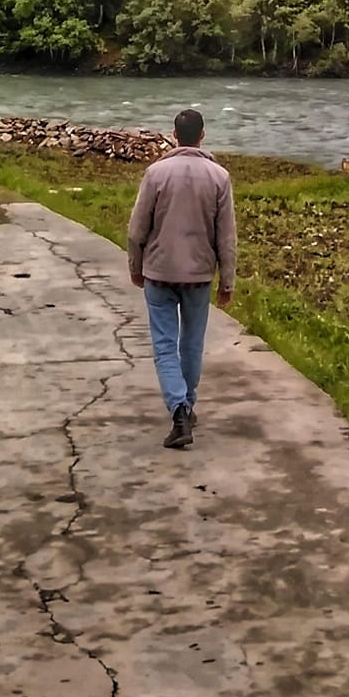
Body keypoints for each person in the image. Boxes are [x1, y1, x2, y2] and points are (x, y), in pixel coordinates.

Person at [126, 107, 237, 450]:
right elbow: (226, 238)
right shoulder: (220, 177)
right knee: (191, 343)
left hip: (159, 271)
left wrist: (136, 266)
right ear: (202, 135)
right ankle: (187, 404)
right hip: (199, 274)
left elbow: (137, 229)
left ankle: (179, 410)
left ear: (173, 135)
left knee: (164, 345)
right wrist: (227, 281)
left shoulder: (155, 173)